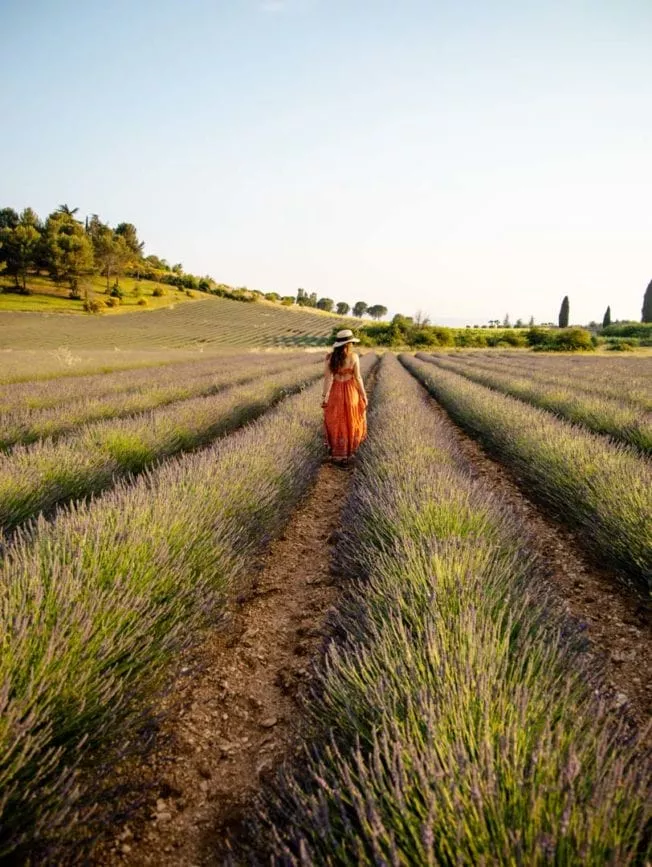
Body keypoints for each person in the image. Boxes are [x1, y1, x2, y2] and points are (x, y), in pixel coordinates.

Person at [321, 329, 368, 463]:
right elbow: (358, 377)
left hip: (336, 392)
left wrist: (324, 396)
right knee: (352, 420)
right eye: (351, 343)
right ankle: (350, 453)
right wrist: (363, 395)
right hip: (351, 392)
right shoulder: (353, 357)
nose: (352, 345)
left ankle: (337, 454)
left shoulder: (330, 358)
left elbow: (327, 379)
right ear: (348, 344)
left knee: (336, 420)